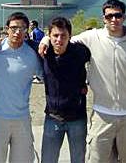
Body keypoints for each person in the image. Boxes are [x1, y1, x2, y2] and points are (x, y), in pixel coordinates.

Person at [39, 0, 126, 163]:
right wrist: (44, 40)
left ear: (124, 17)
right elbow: (63, 39)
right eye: (109, 16)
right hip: (101, 115)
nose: (114, 19)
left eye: (118, 15)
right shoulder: (92, 37)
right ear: (103, 18)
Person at [0, 12, 43, 163]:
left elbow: (49, 76)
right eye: (14, 28)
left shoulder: (32, 55)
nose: (17, 32)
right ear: (7, 29)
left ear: (27, 31)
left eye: (22, 28)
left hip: (22, 117)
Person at [41, 17, 91, 163]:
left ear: (70, 36)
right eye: (55, 36)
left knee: (78, 159)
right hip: (52, 117)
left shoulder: (80, 52)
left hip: (77, 118)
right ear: (49, 36)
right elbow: (18, 43)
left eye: (63, 36)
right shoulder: (44, 52)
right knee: (48, 159)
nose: (59, 40)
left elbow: (102, 42)